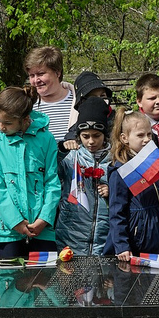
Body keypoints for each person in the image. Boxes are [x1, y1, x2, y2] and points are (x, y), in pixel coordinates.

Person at [0, 87, 61, 260]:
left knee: (44, 283)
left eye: (7, 123)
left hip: (41, 229)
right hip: (6, 231)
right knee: (8, 281)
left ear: (25, 119)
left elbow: (52, 182)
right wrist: (16, 222)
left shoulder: (46, 139)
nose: (1, 127)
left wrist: (44, 218)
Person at [106, 107, 159, 256]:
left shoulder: (156, 159)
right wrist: (122, 246)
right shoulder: (121, 169)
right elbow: (116, 211)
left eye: (149, 134)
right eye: (140, 135)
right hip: (141, 234)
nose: (146, 139)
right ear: (124, 138)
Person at [56, 97, 115, 257]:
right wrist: (60, 150)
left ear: (105, 134)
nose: (91, 141)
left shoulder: (115, 159)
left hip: (104, 238)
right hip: (71, 236)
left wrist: (113, 192)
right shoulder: (70, 157)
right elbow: (50, 173)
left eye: (96, 135)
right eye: (85, 136)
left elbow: (127, 193)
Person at [24, 45, 78, 142]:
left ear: (57, 73)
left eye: (41, 74)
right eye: (32, 75)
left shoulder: (78, 102)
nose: (36, 80)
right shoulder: (26, 105)